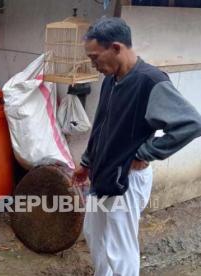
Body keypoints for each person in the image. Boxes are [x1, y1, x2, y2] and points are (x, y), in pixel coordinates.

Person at [73, 17, 201, 276]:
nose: (93, 64)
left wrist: (147, 152)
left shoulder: (150, 81)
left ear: (117, 48)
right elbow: (101, 125)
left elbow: (190, 123)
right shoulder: (111, 80)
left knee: (119, 248)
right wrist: (86, 162)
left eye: (95, 57)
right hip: (104, 172)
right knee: (94, 234)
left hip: (127, 178)